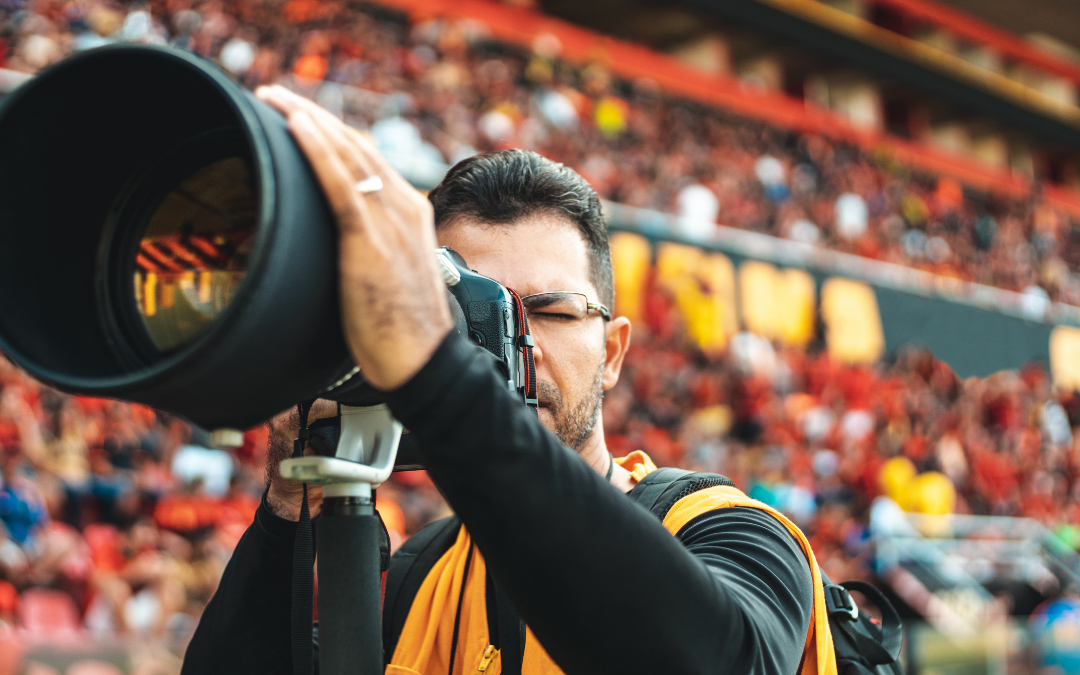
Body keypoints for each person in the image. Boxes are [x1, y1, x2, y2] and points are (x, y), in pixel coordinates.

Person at [180, 86, 826, 675]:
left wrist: (440, 372)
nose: (517, 343)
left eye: (548, 310)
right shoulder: (421, 575)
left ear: (612, 351)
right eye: (474, 315)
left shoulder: (733, 533)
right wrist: (288, 509)